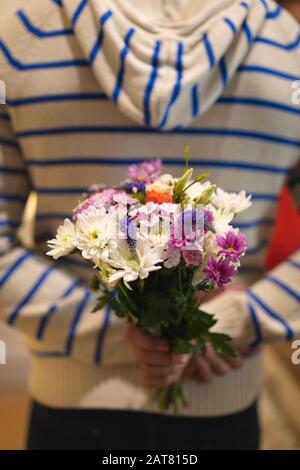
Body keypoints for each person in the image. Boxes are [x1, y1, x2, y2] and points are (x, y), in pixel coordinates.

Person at [0, 0, 299, 450]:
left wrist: (121, 332)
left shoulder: (22, 37)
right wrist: (235, 322)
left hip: (71, 399)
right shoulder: (287, 49)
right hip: (222, 396)